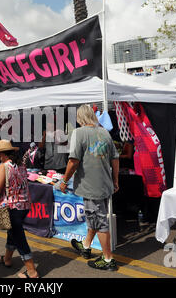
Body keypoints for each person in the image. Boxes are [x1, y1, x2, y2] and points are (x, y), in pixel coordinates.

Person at [57, 104, 120, 271]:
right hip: (104, 184)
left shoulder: (79, 133)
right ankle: (86, 246)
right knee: (94, 217)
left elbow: (73, 161)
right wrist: (115, 181)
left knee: (99, 222)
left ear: (80, 118)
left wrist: (64, 181)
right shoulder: (104, 132)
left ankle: (108, 259)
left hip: (91, 186)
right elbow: (115, 158)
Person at [0, 140, 39, 278]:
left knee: (19, 238)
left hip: (12, 207)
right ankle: (7, 259)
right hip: (24, 205)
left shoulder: (4, 166)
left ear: (2, 154)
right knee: (13, 232)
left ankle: (32, 272)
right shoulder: (21, 165)